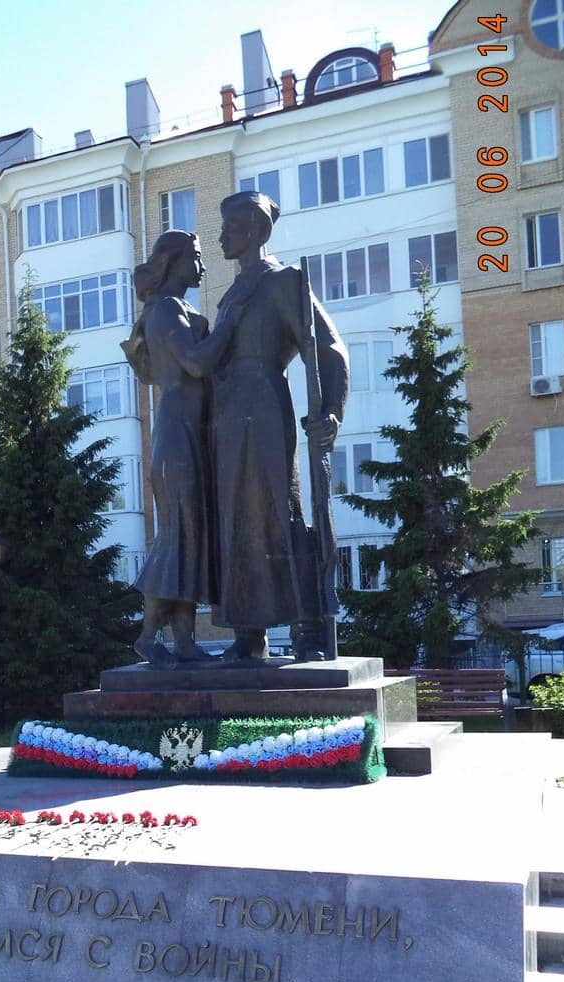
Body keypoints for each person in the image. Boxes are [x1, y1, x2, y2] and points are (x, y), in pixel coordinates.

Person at [211, 191, 348, 661]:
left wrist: (331, 409)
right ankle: (249, 634)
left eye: (230, 226)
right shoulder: (231, 293)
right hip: (228, 415)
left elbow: (328, 348)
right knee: (237, 519)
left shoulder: (283, 281)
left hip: (266, 404)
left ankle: (307, 627)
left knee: (279, 508)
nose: (222, 236)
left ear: (253, 227)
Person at [121, 231, 243, 666]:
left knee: (192, 541)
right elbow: (195, 362)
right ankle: (147, 636)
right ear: (172, 262)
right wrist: (230, 321)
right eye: (196, 256)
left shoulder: (181, 309)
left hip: (194, 433)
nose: (203, 266)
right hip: (176, 437)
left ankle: (185, 642)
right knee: (176, 540)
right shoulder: (164, 311)